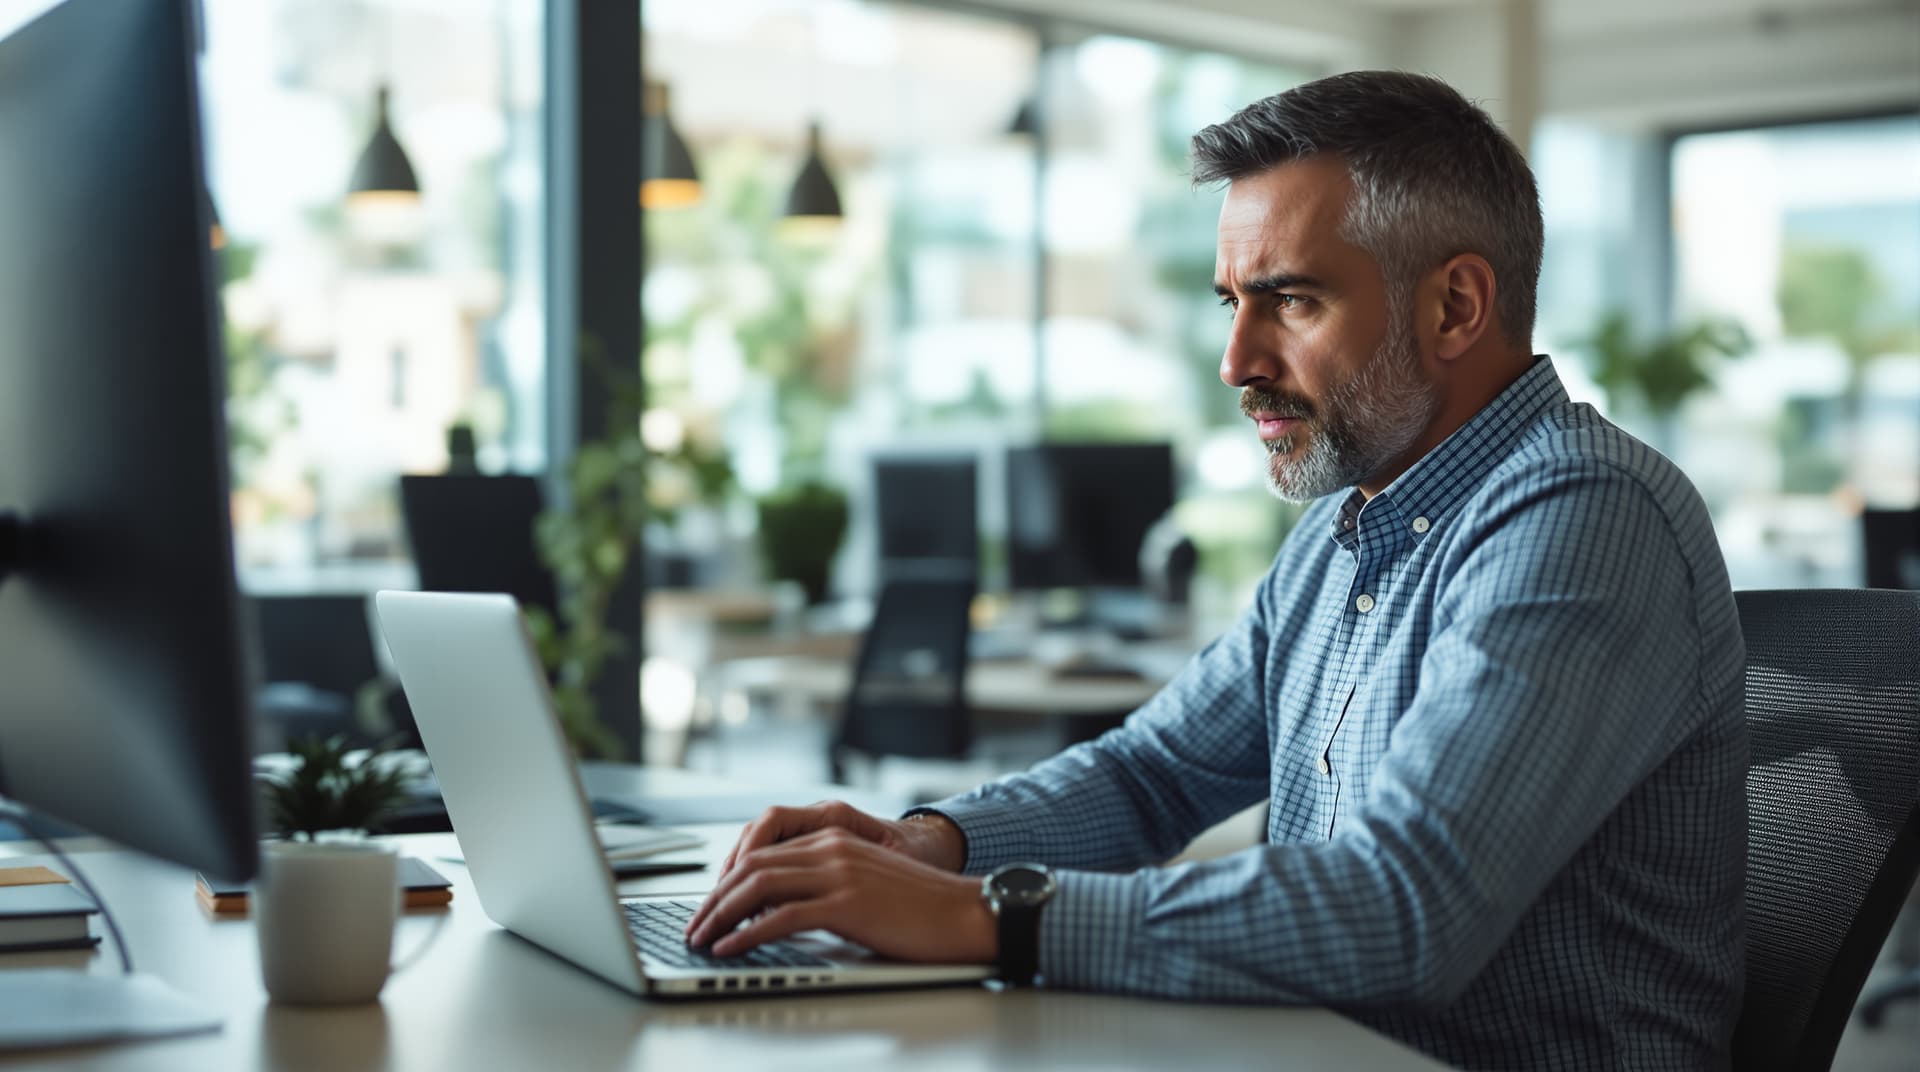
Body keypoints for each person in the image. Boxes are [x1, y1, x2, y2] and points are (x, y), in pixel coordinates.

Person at [686, 70, 1747, 1070]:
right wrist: (931, 844)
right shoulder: (1344, 529)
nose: (1238, 361)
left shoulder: (1583, 517)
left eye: (1290, 300)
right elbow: (1157, 772)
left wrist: (986, 915)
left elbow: (1404, 910)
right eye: (1230, 302)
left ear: (1454, 308)